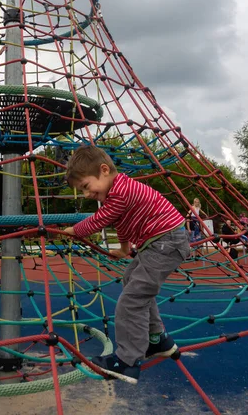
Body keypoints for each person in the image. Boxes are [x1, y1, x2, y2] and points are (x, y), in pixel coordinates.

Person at [63, 145, 190, 384]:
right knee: (131, 280)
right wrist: (123, 250)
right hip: (159, 243)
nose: (86, 194)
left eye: (86, 187)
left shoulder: (121, 190)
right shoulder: (117, 195)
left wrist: (75, 231)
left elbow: (101, 220)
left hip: (165, 243)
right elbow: (120, 224)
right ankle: (156, 340)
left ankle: (127, 361)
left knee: (131, 301)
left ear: (104, 170)